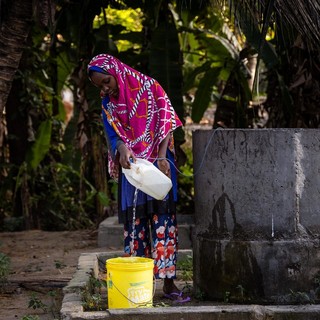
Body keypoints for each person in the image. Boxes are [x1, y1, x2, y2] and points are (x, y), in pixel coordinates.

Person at [87, 54, 190, 303]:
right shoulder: (108, 105)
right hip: (132, 169)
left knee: (163, 224)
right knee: (135, 229)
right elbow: (112, 135)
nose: (104, 89)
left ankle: (168, 283)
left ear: (116, 72)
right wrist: (121, 147)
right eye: (99, 86)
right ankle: (139, 285)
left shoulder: (149, 87)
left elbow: (166, 120)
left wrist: (163, 156)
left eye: (106, 82)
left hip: (159, 165)